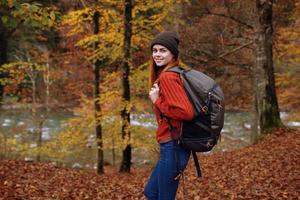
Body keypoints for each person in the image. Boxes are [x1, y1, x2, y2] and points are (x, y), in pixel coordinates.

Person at [144, 31, 194, 200]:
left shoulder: (168, 76)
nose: (157, 54)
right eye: (155, 50)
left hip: (174, 146)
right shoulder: (174, 73)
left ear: (173, 53)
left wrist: (157, 101)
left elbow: (186, 112)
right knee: (151, 192)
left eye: (163, 50)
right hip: (171, 146)